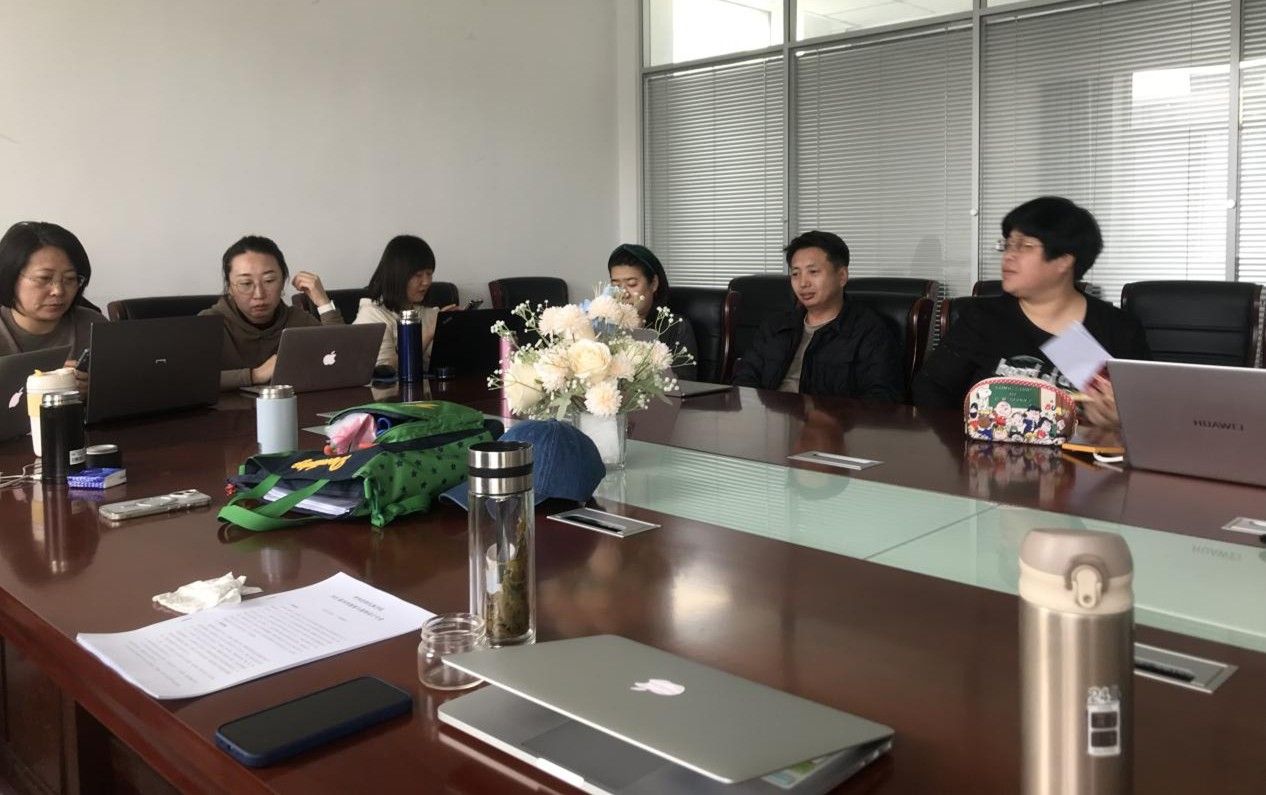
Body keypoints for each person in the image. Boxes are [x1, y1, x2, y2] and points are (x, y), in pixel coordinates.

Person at [913, 196, 1151, 427]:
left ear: (1064, 261)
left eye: (1025, 246)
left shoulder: (1118, 329)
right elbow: (930, 391)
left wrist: (1118, 423)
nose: (1009, 255)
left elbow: (1147, 414)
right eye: (1007, 244)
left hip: (1082, 454)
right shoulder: (982, 318)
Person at [731, 230, 904, 402]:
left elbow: (882, 398)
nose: (803, 283)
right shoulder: (775, 326)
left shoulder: (869, 331)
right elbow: (745, 378)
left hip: (830, 419)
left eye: (813, 272)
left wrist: (835, 415)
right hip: (769, 415)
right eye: (795, 274)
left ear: (842, 276)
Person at [200, 235, 342, 390]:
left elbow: (343, 361)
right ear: (229, 288)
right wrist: (255, 375)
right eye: (246, 283)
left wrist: (323, 302)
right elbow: (189, 380)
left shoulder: (298, 321)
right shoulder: (208, 323)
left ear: (283, 281)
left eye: (269, 281)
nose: (259, 294)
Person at [0, 221, 105, 361]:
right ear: (10, 276)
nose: (58, 291)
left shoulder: (94, 325)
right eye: (44, 278)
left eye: (70, 279)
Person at [353, 235, 456, 371]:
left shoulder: (430, 313)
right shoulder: (371, 316)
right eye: (418, 275)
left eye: (429, 274)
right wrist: (428, 335)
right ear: (397, 276)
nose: (426, 282)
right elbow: (383, 372)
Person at [607, 243, 698, 380]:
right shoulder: (605, 325)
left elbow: (683, 384)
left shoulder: (676, 328)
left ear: (654, 283)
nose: (623, 293)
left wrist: (638, 335)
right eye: (616, 285)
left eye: (632, 284)